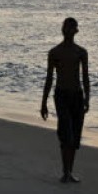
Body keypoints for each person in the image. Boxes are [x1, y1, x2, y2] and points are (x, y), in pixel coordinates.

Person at [41, 17, 90, 183]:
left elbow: (85, 77)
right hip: (61, 95)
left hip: (77, 95)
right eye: (67, 28)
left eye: (72, 28)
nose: (69, 31)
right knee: (65, 133)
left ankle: (69, 171)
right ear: (63, 30)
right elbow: (49, 78)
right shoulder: (55, 52)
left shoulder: (81, 52)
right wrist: (43, 103)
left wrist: (87, 99)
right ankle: (65, 172)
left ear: (76, 31)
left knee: (75, 136)